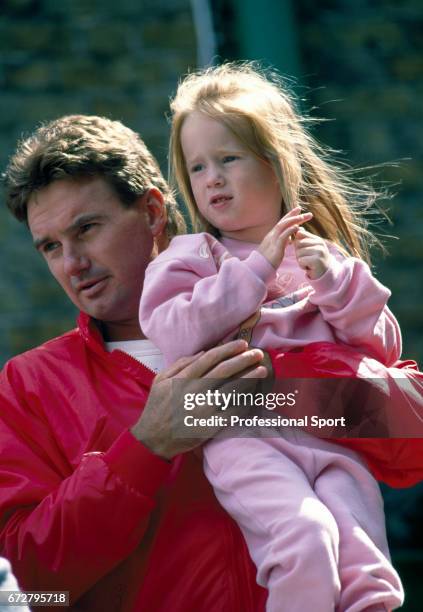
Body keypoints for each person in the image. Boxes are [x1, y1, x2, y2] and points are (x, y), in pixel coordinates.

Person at [139, 63, 423, 611]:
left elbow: (383, 351)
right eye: (196, 166)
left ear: (275, 164)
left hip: (333, 438)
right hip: (244, 437)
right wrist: (251, 273)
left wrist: (340, 284)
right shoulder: (192, 257)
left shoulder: (323, 256)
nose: (211, 178)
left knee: (368, 571)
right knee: (304, 541)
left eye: (228, 158)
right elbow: (172, 334)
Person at [0, 114, 273, 611]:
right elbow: (23, 588)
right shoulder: (29, 385)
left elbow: (406, 433)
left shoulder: (272, 310)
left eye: (86, 228)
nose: (72, 263)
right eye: (51, 247)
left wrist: (293, 399)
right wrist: (147, 447)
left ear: (151, 211)